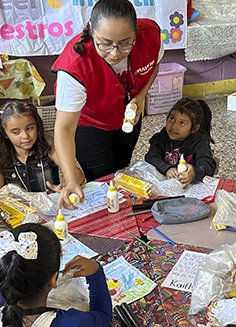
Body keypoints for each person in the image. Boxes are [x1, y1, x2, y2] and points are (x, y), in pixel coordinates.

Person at [51, 0, 163, 208]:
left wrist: (140, 96)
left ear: (135, 33)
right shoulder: (75, 65)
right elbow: (64, 128)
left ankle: (120, 217)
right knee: (101, 178)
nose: (115, 52)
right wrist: (71, 179)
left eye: (125, 43)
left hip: (127, 116)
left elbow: (153, 66)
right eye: (105, 43)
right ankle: (105, 226)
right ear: (92, 31)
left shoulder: (150, 35)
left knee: (121, 171)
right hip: (89, 123)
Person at [0, 223, 112, 327]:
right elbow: (104, 316)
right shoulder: (71, 325)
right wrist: (96, 273)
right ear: (53, 280)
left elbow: (0, 305)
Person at [0, 102, 82, 200]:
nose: (25, 136)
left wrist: (66, 186)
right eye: (16, 132)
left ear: (37, 126)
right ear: (5, 134)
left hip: (52, 210)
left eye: (29, 128)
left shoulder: (50, 151)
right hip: (21, 213)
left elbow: (79, 176)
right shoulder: (0, 160)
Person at [144, 98, 216, 184]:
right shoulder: (161, 138)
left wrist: (194, 172)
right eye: (172, 118)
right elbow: (151, 157)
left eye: (182, 123)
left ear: (194, 128)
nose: (174, 126)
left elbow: (208, 165)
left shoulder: (199, 142)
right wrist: (166, 169)